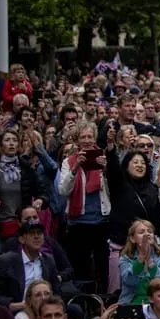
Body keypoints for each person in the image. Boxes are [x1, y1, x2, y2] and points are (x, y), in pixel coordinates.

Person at [57, 122, 113, 289]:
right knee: (81, 267)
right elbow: (63, 190)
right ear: (77, 140)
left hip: (100, 221)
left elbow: (113, 190)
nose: (87, 140)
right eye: (83, 137)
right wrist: (75, 168)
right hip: (78, 222)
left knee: (102, 266)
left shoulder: (103, 158)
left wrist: (106, 170)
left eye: (90, 136)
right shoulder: (69, 161)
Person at [0, 221, 63, 308]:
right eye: (32, 233)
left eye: (39, 233)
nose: (36, 237)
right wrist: (19, 306)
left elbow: (57, 292)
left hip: (45, 310)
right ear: (21, 239)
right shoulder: (5, 261)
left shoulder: (49, 261)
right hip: (18, 309)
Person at [118, 219, 160, 304]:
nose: (147, 234)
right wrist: (140, 260)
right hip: (131, 304)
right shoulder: (125, 259)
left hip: (157, 306)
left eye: (150, 232)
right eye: (141, 232)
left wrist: (149, 262)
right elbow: (129, 281)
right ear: (132, 238)